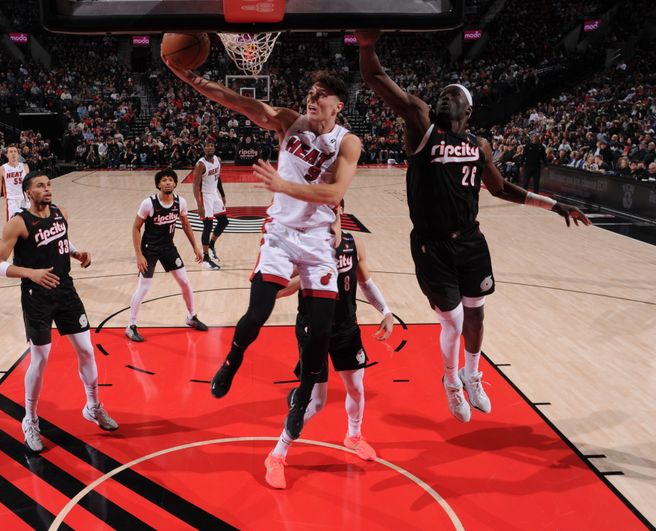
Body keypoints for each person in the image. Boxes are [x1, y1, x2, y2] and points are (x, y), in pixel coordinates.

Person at [357, 30, 590, 422]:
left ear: (468, 111)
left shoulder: (479, 146)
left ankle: (471, 373)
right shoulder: (422, 125)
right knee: (453, 319)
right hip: (432, 246)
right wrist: (366, 46)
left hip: (470, 242)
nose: (448, 96)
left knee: (477, 315)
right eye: (445, 92)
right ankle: (450, 381)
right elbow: (376, 79)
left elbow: (500, 189)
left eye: (457, 95)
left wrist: (554, 205)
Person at [165, 58, 361, 441]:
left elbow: (335, 193)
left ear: (339, 106)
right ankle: (232, 361)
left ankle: (302, 399)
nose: (312, 98)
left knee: (320, 332)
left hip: (319, 240)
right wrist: (191, 77)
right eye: (310, 92)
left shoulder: (347, 142)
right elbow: (237, 101)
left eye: (322, 95)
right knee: (258, 312)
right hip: (281, 232)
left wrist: (285, 186)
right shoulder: (291, 122)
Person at [265, 203, 394, 489]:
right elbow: (280, 288)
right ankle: (277, 454)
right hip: (314, 329)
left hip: (346, 328)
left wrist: (386, 311)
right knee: (317, 403)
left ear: (341, 211)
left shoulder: (352, 243)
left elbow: (366, 282)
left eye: (333, 208)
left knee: (357, 388)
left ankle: (354, 435)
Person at [0, 170, 118, 452]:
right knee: (40, 359)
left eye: (49, 185)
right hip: (37, 297)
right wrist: (30, 273)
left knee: (86, 350)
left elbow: (60, 239)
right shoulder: (18, 223)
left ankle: (93, 406)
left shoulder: (60, 213)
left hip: (66, 291)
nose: (47, 189)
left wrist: (76, 253)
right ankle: (31, 419)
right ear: (28, 192)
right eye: (40, 186)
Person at [126, 168, 209, 342]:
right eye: (164, 180)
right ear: (158, 184)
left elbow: (186, 225)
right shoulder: (148, 203)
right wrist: (139, 255)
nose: (167, 182)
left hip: (168, 248)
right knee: (144, 287)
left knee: (185, 282)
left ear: (175, 183)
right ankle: (131, 325)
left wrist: (195, 247)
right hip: (149, 249)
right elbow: (136, 228)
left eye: (170, 179)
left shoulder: (181, 202)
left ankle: (191, 317)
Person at [192, 141, 228, 270]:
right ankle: (206, 258)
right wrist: (199, 205)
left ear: (214, 147)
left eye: (211, 145)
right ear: (204, 149)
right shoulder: (201, 165)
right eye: (207, 146)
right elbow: (195, 185)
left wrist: (222, 195)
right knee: (208, 225)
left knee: (223, 221)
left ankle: (211, 245)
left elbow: (217, 179)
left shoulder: (218, 160)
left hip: (214, 194)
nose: (209, 147)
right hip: (204, 195)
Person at [0, 145, 30, 220]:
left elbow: (30, 185)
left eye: (15, 151)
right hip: (12, 201)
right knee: (14, 227)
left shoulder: (25, 166)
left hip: (25, 199)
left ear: (18, 154)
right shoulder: (2, 169)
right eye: (10, 152)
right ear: (7, 155)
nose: (13, 153)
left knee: (31, 224)